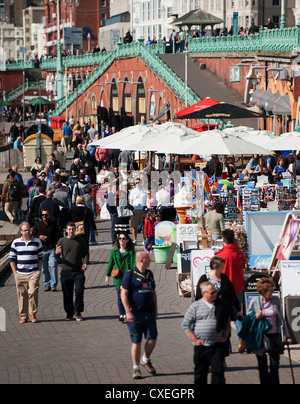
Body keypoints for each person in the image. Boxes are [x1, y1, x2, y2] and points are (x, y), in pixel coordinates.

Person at [182, 282, 231, 384]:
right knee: (200, 374)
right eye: (212, 293)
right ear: (204, 293)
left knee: (218, 373)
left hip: (217, 345)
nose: (215, 294)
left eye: (216, 292)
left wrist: (225, 336)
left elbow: (227, 323)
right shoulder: (196, 306)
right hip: (202, 346)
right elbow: (186, 325)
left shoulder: (221, 305)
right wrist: (195, 340)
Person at [246, 278, 292, 384]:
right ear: (263, 291)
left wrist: (287, 335)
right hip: (260, 338)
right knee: (262, 366)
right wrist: (256, 318)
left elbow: (281, 319)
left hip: (274, 336)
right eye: (270, 290)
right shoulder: (255, 302)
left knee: (275, 365)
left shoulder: (275, 300)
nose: (272, 292)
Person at [121, 251, 158, 380]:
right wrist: (127, 312)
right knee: (136, 341)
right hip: (135, 315)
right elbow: (123, 294)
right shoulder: (129, 275)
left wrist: (156, 309)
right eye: (148, 258)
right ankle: (136, 368)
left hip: (149, 313)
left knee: (152, 339)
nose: (150, 260)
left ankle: (145, 359)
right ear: (142, 260)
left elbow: (153, 293)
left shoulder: (150, 274)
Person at [215, 229, 246, 346]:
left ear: (223, 240)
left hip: (223, 289)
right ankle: (242, 337)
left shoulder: (219, 255)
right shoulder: (239, 253)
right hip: (237, 286)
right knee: (238, 314)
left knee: (225, 317)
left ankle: (226, 345)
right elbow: (242, 266)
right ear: (233, 238)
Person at [9, 222, 43, 323]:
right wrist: (15, 273)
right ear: (21, 231)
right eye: (25, 230)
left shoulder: (37, 242)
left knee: (32, 292)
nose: (27, 232)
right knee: (22, 294)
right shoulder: (15, 242)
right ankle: (23, 315)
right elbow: (11, 259)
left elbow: (40, 257)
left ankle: (32, 313)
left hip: (33, 272)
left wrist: (39, 271)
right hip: (20, 273)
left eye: (28, 230)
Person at [55, 222, 89, 321]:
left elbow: (86, 253)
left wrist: (85, 263)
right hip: (66, 271)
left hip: (78, 271)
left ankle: (77, 312)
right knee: (67, 294)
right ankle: (69, 313)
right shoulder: (62, 241)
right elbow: (56, 255)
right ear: (66, 230)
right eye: (69, 229)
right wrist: (56, 253)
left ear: (75, 230)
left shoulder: (80, 240)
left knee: (79, 291)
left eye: (73, 229)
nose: (71, 231)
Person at [105, 232, 136, 322]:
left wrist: (134, 274)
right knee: (120, 296)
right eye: (120, 238)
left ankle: (128, 313)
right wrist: (107, 276)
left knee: (128, 296)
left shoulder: (131, 250)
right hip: (118, 277)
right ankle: (121, 314)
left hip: (128, 276)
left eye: (123, 238)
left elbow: (134, 262)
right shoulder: (114, 251)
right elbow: (111, 263)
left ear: (127, 240)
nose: (121, 240)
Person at [32, 208, 61, 292]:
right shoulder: (37, 225)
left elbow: (59, 236)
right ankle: (47, 284)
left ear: (49, 215)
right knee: (44, 268)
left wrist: (57, 245)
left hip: (52, 249)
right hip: (41, 250)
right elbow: (33, 235)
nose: (44, 216)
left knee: (53, 266)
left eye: (46, 215)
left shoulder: (54, 225)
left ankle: (53, 285)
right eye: (43, 215)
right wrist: (39, 237)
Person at [129, 178, 147, 244]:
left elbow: (147, 200)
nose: (137, 184)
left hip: (143, 210)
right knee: (134, 226)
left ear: (141, 183)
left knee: (144, 226)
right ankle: (135, 240)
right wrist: (132, 209)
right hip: (135, 210)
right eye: (136, 182)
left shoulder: (145, 190)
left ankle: (144, 240)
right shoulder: (133, 191)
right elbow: (131, 200)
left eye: (138, 182)